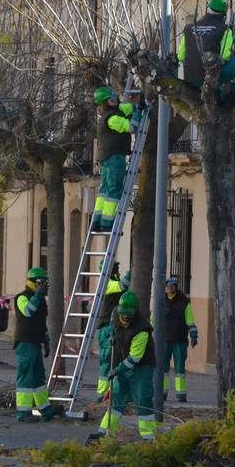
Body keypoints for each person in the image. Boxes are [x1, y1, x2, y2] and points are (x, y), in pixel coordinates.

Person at [88, 291, 157, 441]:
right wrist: (113, 335)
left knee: (143, 399)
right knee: (117, 398)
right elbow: (114, 325)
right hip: (124, 364)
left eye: (127, 317)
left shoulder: (142, 330)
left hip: (142, 368)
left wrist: (118, 370)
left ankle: (149, 437)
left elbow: (135, 358)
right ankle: (104, 432)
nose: (124, 319)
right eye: (122, 315)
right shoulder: (116, 314)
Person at [13, 266, 63, 423]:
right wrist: (38, 296)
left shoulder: (40, 300)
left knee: (38, 378)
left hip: (35, 342)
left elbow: (41, 322)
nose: (45, 286)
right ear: (34, 283)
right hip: (25, 342)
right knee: (26, 378)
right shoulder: (22, 297)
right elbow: (28, 312)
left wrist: (46, 339)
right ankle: (23, 413)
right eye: (42, 283)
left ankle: (45, 409)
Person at [92, 86, 141, 233]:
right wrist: (138, 113)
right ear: (104, 102)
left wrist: (136, 106)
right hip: (114, 158)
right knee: (114, 191)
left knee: (104, 191)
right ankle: (107, 223)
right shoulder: (112, 118)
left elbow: (125, 108)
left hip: (106, 158)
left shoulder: (111, 113)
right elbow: (131, 127)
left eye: (114, 97)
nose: (114, 99)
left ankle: (96, 221)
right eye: (110, 98)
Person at [176, 0, 235, 90]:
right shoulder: (225, 29)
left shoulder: (189, 28)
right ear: (224, 14)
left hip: (189, 78)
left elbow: (180, 56)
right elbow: (225, 56)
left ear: (208, 9)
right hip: (211, 78)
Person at [96, 261, 132, 401]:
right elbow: (122, 285)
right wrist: (131, 272)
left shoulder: (112, 282)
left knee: (116, 361)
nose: (118, 271)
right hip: (106, 329)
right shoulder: (106, 283)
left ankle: (113, 393)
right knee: (107, 361)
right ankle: (102, 394)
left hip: (115, 327)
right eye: (116, 269)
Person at [163, 277, 198, 402]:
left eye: (172, 286)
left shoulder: (184, 303)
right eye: (167, 286)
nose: (169, 288)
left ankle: (181, 395)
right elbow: (153, 320)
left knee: (180, 369)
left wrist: (194, 335)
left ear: (176, 287)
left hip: (180, 341)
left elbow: (190, 320)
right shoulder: (160, 301)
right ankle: (162, 393)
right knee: (163, 369)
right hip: (164, 340)